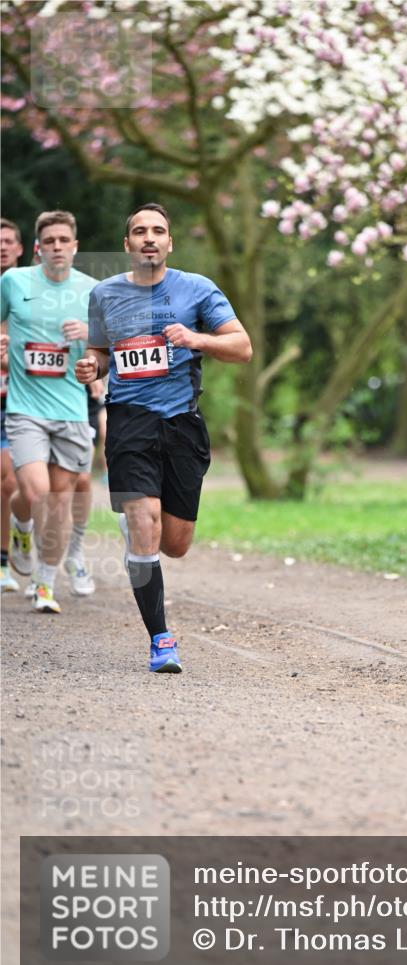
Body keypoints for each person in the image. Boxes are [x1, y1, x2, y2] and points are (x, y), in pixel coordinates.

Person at [75, 202, 252, 673]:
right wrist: (93, 366)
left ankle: (140, 536)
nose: (149, 238)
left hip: (182, 423)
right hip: (129, 420)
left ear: (170, 243)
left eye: (158, 231)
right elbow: (100, 352)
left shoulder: (197, 289)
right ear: (127, 244)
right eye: (139, 231)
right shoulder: (105, 295)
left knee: (175, 543)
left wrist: (198, 339)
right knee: (144, 522)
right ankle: (161, 640)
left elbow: (242, 347)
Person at [0, 210, 97, 612]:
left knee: (59, 499)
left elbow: (109, 347)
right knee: (37, 492)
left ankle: (45, 584)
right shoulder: (14, 281)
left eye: (64, 240)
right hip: (25, 409)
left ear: (75, 246)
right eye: (50, 241)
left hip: (72, 410)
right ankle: (21, 529)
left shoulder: (93, 290)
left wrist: (90, 336)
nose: (58, 247)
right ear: (39, 248)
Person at [0, 218, 23, 593]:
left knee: (10, 481)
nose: (2, 247)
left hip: (21, 398)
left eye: (8, 241)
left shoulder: (36, 291)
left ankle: (6, 556)